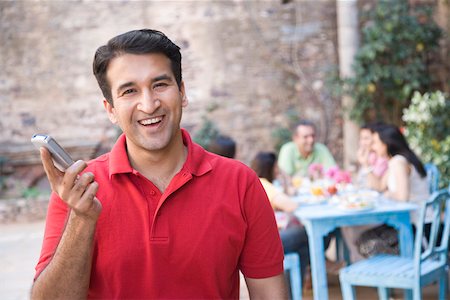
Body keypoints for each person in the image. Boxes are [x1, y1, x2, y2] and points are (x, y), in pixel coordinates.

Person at [31, 29, 287, 299]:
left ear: (182, 92)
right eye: (130, 91)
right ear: (111, 110)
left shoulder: (240, 182)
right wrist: (81, 219)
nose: (149, 104)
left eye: (160, 85)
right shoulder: (79, 190)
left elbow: (270, 294)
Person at [356, 124, 431, 257]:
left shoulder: (399, 162)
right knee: (363, 239)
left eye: (375, 143)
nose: (372, 147)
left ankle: (408, 265)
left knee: (366, 244)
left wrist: (387, 194)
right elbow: (378, 186)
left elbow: (402, 197)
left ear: (386, 143)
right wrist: (366, 165)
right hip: (412, 222)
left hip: (418, 228)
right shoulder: (396, 161)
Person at [250, 152, 310, 289]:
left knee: (304, 249)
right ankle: (325, 263)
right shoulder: (263, 184)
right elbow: (291, 206)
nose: (278, 170)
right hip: (266, 242)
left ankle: (292, 294)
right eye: (276, 167)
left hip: (262, 239)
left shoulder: (256, 182)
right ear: (269, 168)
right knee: (308, 233)